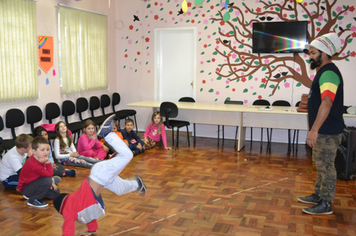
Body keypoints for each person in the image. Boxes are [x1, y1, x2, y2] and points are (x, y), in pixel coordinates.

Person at [53, 114, 146, 236]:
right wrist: (90, 231)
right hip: (103, 179)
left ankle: (108, 134)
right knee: (119, 189)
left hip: (100, 174)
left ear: (62, 208)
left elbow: (68, 229)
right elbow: (90, 216)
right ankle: (137, 184)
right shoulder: (79, 206)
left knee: (127, 155)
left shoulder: (69, 210)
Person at [298, 33, 344, 215]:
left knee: (326, 166)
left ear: (324, 53)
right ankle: (319, 195)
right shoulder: (324, 72)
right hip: (324, 130)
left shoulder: (329, 73)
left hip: (327, 130)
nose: (310, 56)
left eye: (313, 53)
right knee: (320, 164)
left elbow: (327, 102)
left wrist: (314, 130)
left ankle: (326, 203)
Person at [17, 137, 60, 207]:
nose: (46, 152)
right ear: (34, 151)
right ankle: (33, 200)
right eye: (42, 150)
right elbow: (50, 174)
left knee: (55, 193)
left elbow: (42, 174)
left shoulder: (39, 158)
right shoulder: (34, 164)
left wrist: (51, 183)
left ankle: (32, 194)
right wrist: (48, 162)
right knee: (47, 180)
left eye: (47, 149)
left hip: (34, 183)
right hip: (25, 188)